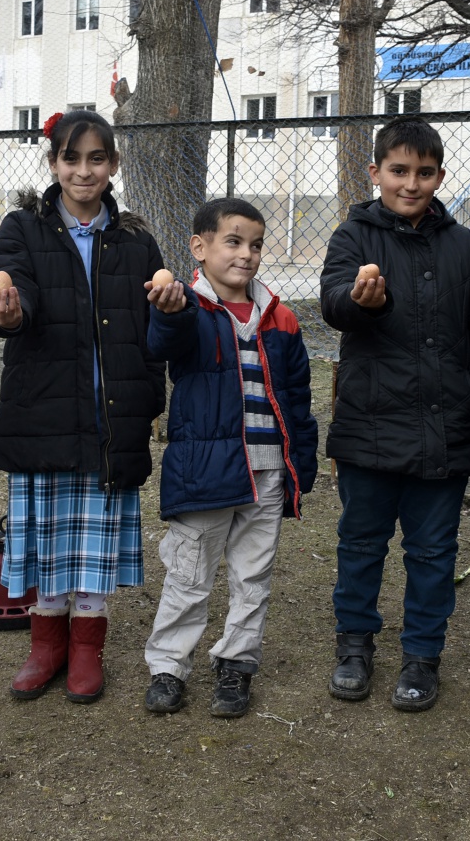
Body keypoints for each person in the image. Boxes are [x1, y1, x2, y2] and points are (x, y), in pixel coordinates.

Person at [320, 117, 470, 712]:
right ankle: (355, 646)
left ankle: (423, 655)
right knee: (360, 544)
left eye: (423, 172)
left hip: (442, 432)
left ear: (440, 176)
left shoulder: (461, 246)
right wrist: (360, 300)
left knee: (433, 553)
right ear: (375, 172)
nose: (410, 183)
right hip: (368, 428)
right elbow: (332, 301)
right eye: (398, 171)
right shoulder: (352, 236)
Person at [0, 109, 167, 704]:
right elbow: (14, 294)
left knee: (94, 539)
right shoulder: (22, 228)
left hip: (110, 414)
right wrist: (9, 312)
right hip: (45, 409)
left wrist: (152, 381)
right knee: (46, 536)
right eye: (71, 158)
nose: (83, 170)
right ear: (53, 163)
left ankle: (87, 647)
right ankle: (46, 645)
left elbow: (151, 332)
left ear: (113, 165)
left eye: (96, 158)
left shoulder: (137, 240)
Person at [139, 198, 319, 718]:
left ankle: (237, 665)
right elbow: (162, 344)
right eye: (233, 241)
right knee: (190, 574)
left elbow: (299, 401)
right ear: (200, 247)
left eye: (256, 244)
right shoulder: (185, 306)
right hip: (206, 474)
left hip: (267, 473)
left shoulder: (280, 316)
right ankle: (169, 666)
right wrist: (168, 311)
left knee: (252, 577)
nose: (247, 254)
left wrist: (298, 468)